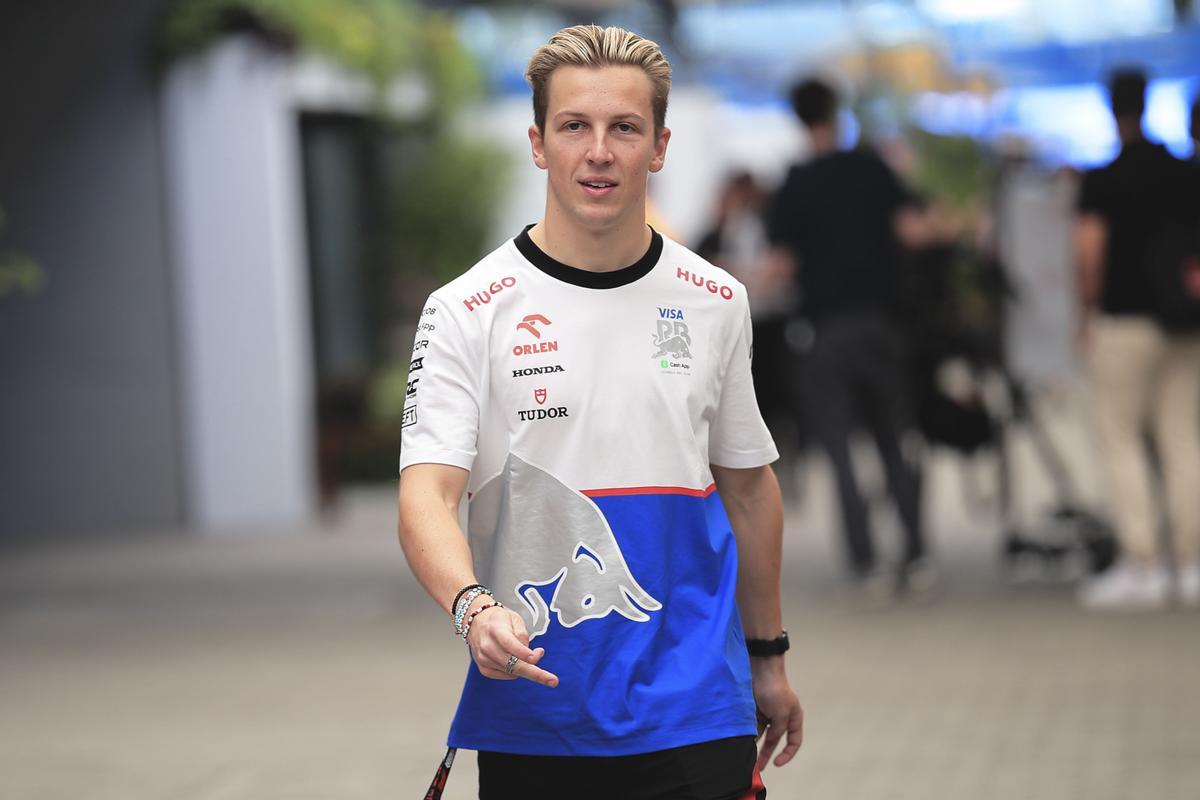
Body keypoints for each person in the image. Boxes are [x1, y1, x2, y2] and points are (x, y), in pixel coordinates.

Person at [397, 24, 803, 799]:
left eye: (625, 127)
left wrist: (770, 658)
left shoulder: (715, 301)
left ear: (659, 145)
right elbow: (428, 494)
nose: (600, 150)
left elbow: (750, 489)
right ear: (538, 143)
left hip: (699, 710)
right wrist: (471, 607)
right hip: (536, 704)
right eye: (574, 126)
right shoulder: (465, 310)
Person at [765, 77, 930, 599]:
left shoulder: (795, 183)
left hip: (825, 331)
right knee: (891, 441)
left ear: (796, 118)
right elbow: (914, 232)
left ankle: (867, 563)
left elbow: (781, 266)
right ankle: (917, 555)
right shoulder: (872, 166)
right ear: (837, 112)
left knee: (838, 450)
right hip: (881, 324)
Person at [1074, 68, 1200, 610]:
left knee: (1121, 440)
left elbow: (1088, 252)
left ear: (1111, 107)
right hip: (1184, 321)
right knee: (1182, 441)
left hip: (1123, 321)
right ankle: (1191, 565)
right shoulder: (1183, 171)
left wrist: (1086, 312)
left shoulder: (1103, 177)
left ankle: (1142, 563)